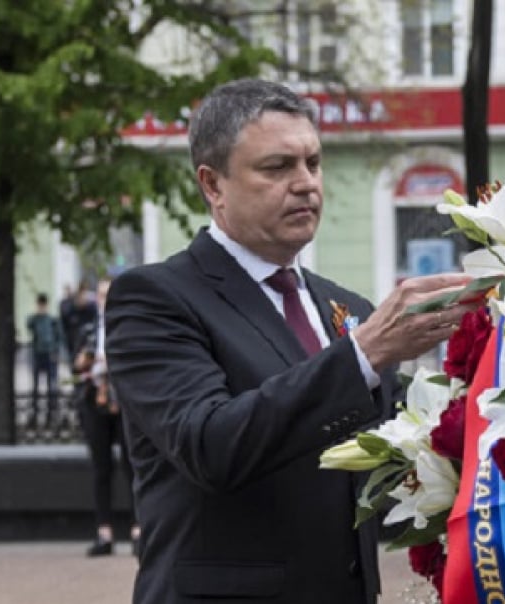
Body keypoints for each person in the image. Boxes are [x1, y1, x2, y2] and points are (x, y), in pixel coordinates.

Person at [105, 78, 474, 604]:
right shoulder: (154, 299)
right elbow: (211, 445)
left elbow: (390, 459)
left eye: (313, 163)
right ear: (213, 185)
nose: (305, 183)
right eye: (277, 167)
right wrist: (362, 356)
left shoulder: (346, 309)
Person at [73, 278, 138, 557]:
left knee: (133, 465)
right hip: (94, 401)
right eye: (100, 295)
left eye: (109, 294)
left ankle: (139, 529)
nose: (105, 299)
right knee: (101, 468)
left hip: (124, 401)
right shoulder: (89, 329)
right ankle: (104, 531)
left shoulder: (132, 327)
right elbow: (76, 363)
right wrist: (86, 362)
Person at [25, 293, 63, 423]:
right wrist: (36, 314)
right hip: (38, 353)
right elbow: (28, 325)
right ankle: (35, 412)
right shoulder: (35, 319)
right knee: (35, 385)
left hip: (50, 353)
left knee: (51, 385)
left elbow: (59, 337)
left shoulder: (52, 320)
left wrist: (57, 352)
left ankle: (52, 412)